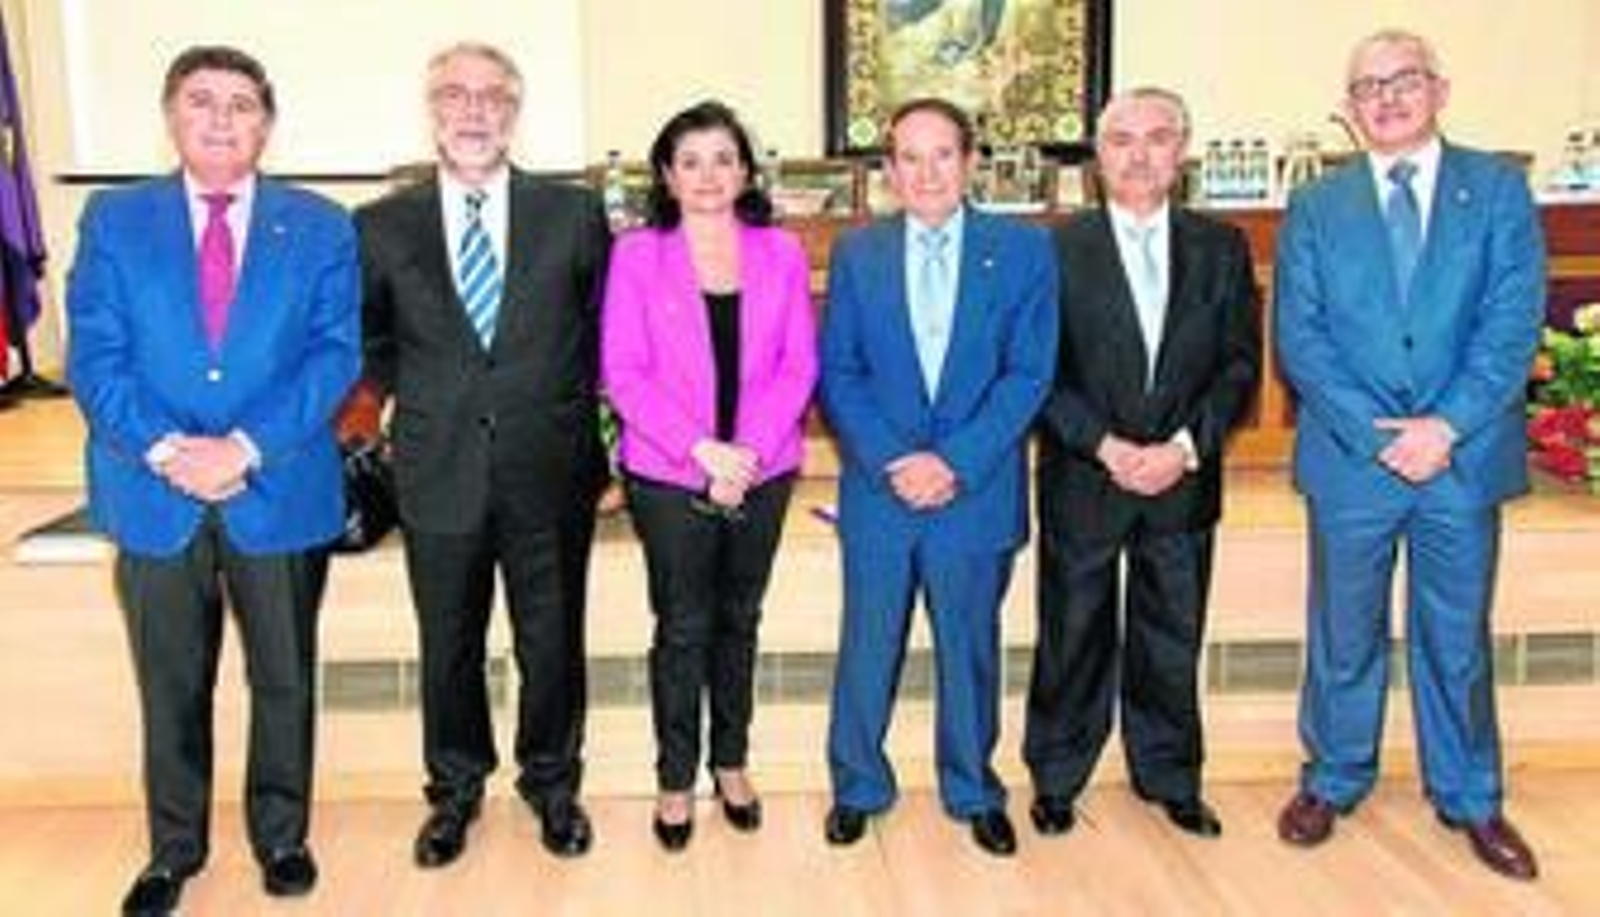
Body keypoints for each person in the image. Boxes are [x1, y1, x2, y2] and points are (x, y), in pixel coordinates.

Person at [66, 45, 359, 916]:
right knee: (171, 680)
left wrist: (243, 447)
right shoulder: (116, 220)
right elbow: (95, 355)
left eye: (242, 104)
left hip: (276, 486)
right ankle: (174, 849)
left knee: (283, 677)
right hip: (153, 492)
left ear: (267, 122)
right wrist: (168, 450)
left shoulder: (319, 223)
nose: (223, 119)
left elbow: (334, 352)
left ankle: (282, 837)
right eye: (202, 101)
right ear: (171, 115)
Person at [1273, 29, 1545, 881]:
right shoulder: (1317, 205)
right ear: (1348, 112)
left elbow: (1510, 325)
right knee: (1343, 631)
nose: (1386, 97)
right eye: (1367, 88)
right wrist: (1372, 431)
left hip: (1462, 460)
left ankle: (1470, 795)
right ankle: (1334, 775)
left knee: (1455, 635)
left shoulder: (1498, 191)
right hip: (1352, 460)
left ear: (1439, 89)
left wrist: (1445, 428)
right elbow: (1301, 336)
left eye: (1404, 81)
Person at [351, 41, 611, 866]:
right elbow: (373, 339)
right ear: (431, 111)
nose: (473, 111)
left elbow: (603, 335)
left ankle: (552, 783)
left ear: (515, 111)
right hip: (438, 468)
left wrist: (596, 444)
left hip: (550, 464)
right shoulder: (382, 224)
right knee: (450, 642)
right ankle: (455, 790)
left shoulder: (572, 214)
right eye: (455, 96)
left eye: (492, 96)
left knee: (551, 637)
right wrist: (419, 404)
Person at [819, 96, 1057, 857]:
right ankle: (858, 784)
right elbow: (840, 373)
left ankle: (973, 787)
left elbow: (1028, 374)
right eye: (909, 158)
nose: (926, 172)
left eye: (942, 154)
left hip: (974, 490)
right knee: (867, 645)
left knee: (969, 648)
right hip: (882, 491)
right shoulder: (859, 254)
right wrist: (897, 461)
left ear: (971, 161)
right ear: (888, 171)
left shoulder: (1022, 251)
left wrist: (953, 461)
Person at [1023, 87, 1261, 841]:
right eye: (1121, 139)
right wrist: (1106, 446)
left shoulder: (1221, 247)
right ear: (1098, 157)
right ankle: (1057, 775)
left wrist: (1184, 448)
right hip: (1086, 474)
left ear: (1182, 151)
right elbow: (1038, 370)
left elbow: (1239, 368)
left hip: (1182, 480)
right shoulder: (1054, 249)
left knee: (1172, 633)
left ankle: (1170, 775)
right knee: (1072, 630)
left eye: (1158, 137)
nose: (1139, 153)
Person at [601, 101, 818, 852]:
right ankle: (674, 775)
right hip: (667, 470)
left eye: (723, 158)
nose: (707, 175)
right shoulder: (636, 254)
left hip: (764, 469)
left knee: (740, 618)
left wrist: (745, 453)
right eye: (689, 161)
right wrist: (703, 450)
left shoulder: (781, 251)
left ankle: (731, 761)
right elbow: (622, 373)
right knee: (683, 623)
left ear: (746, 170)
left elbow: (799, 364)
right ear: (666, 174)